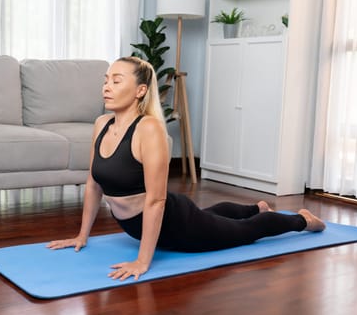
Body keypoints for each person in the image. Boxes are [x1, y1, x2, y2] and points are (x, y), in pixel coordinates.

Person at [47, 56, 325, 281]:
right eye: (106, 80)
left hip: (176, 225)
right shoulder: (102, 124)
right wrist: (81, 235)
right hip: (140, 226)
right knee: (213, 217)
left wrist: (143, 261)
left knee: (244, 233)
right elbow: (94, 184)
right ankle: (256, 207)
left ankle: (302, 220)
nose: (106, 86)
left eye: (116, 81)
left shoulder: (149, 129)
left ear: (140, 91)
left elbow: (156, 200)